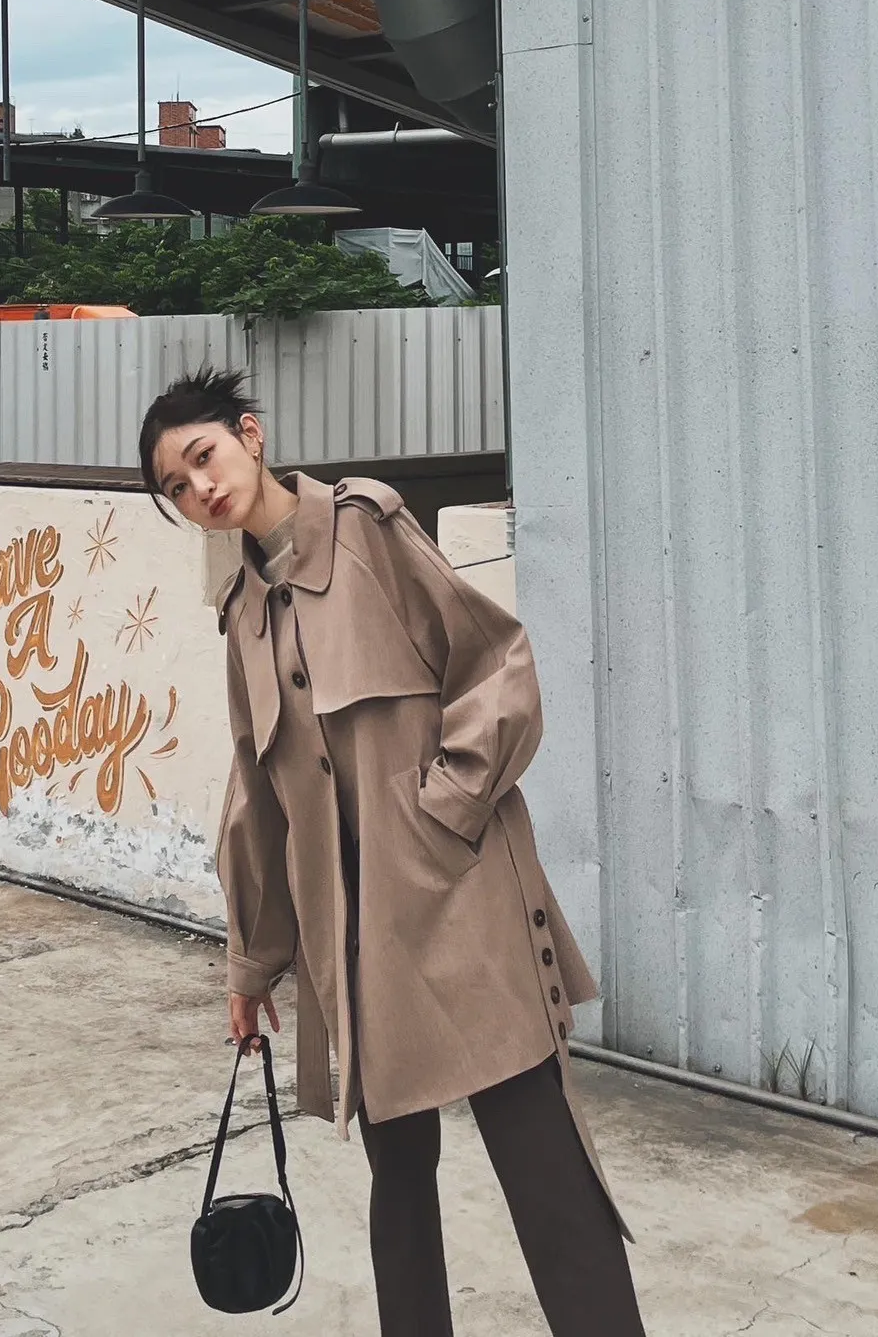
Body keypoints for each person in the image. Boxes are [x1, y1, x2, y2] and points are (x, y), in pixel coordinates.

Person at [139, 367, 647, 1336]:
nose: (200, 487)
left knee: (545, 1174)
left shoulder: (366, 529)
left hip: (463, 907)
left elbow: (498, 662)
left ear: (250, 435)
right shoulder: (242, 615)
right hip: (355, 945)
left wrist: (445, 811)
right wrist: (252, 965)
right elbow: (257, 802)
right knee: (400, 1191)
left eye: (203, 456)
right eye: (176, 486)